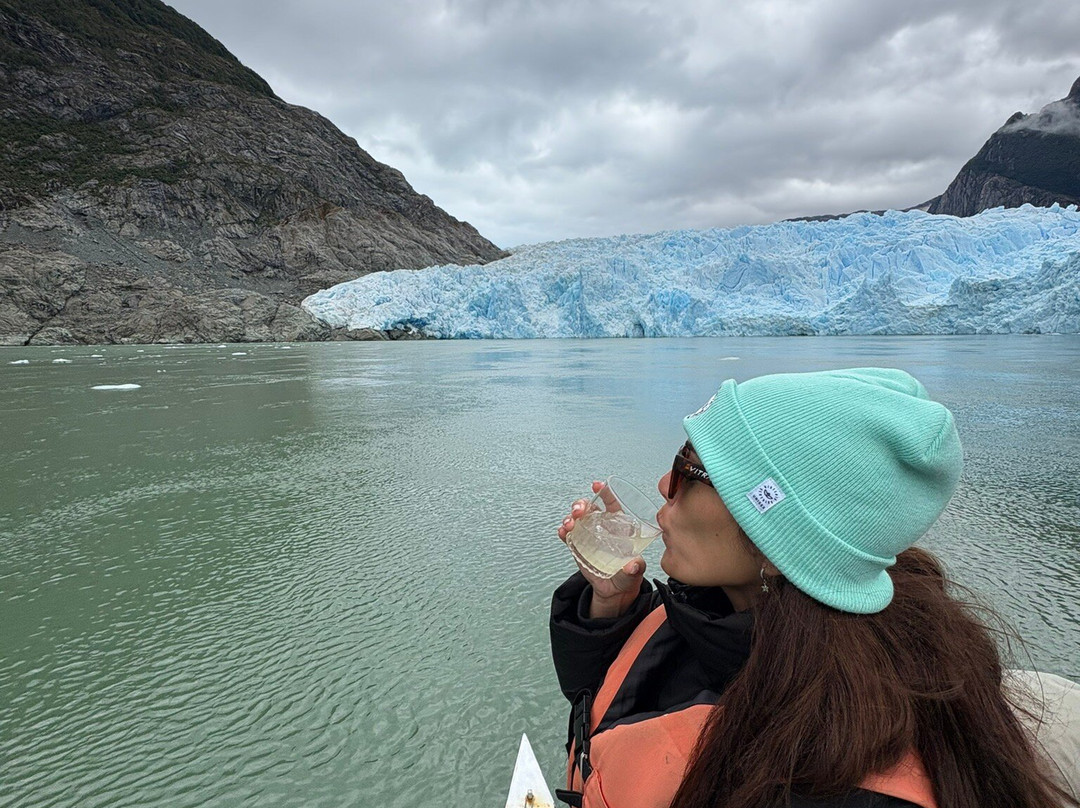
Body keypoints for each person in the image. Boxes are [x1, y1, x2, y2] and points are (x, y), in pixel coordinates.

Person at [549, 367, 1078, 808]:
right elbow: (613, 706)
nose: (665, 486)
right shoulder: (727, 608)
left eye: (690, 469)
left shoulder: (828, 779)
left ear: (777, 535)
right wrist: (611, 605)